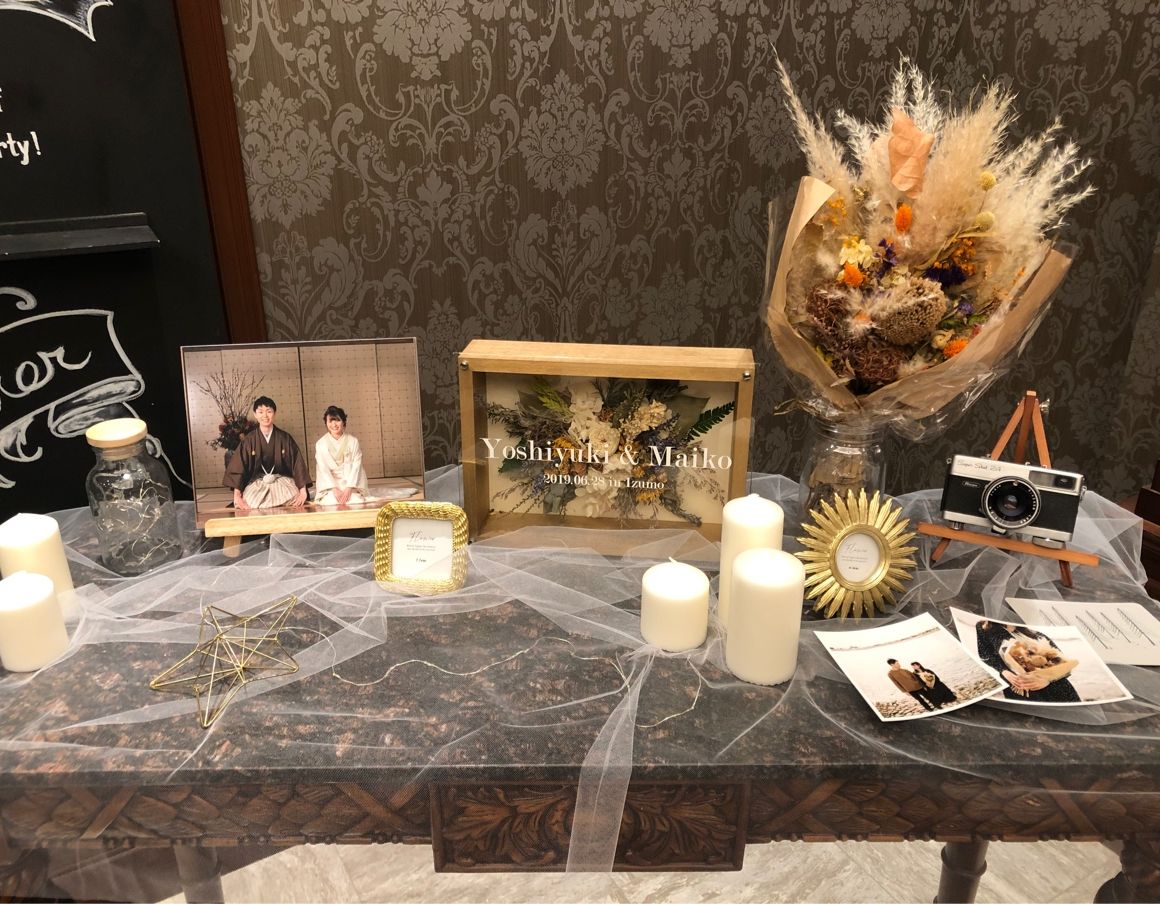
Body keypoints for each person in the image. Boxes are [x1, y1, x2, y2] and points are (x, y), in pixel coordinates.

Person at [223, 396, 309, 511]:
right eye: (260, 412)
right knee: (250, 503)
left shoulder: (284, 438)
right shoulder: (249, 440)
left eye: (269, 411)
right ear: (255, 414)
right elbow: (239, 467)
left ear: (275, 413)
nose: (265, 415)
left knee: (294, 498)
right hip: (257, 483)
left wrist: (303, 492)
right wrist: (237, 496)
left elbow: (297, 465)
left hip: (281, 481)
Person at [975, 620, 1081, 703]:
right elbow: (986, 655)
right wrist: (1004, 671)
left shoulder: (1038, 636)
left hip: (1055, 688)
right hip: (1018, 687)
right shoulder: (985, 627)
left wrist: (1047, 680)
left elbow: (1064, 664)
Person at [314, 405, 369, 506]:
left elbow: (356, 466)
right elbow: (323, 469)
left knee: (355, 500)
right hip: (330, 484)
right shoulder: (320, 444)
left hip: (350, 481)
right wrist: (334, 488)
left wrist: (349, 488)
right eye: (330, 421)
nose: (334, 424)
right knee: (330, 501)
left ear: (343, 422)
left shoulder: (353, 441)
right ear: (326, 423)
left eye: (337, 420)